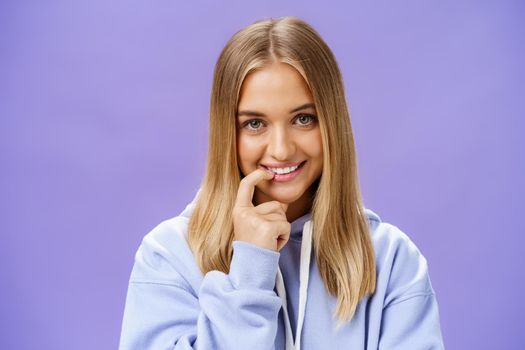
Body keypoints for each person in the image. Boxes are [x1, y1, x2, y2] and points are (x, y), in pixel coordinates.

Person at [118, 16, 445, 350]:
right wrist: (250, 271)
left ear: (331, 123)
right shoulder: (168, 256)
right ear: (227, 133)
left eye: (303, 119)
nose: (281, 149)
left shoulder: (391, 260)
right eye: (255, 123)